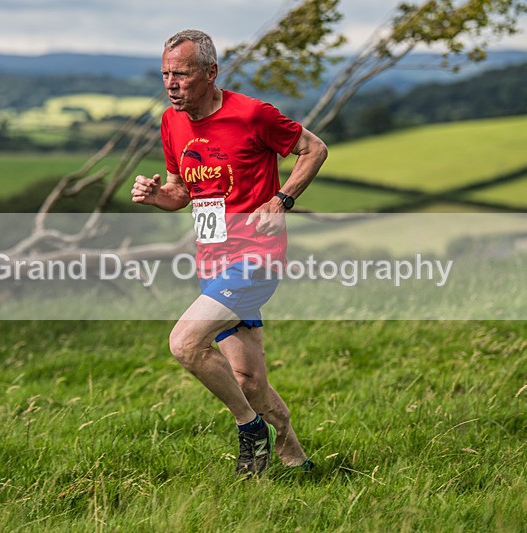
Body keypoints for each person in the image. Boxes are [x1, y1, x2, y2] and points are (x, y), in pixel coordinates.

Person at [131, 29, 327, 477]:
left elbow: (314, 149)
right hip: (212, 261)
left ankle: (250, 428)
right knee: (249, 380)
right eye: (165, 74)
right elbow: (182, 192)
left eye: (181, 73)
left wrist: (283, 199)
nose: (171, 83)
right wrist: (156, 195)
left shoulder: (253, 115)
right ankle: (296, 459)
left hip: (256, 257)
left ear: (211, 72)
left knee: (184, 342)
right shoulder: (171, 123)